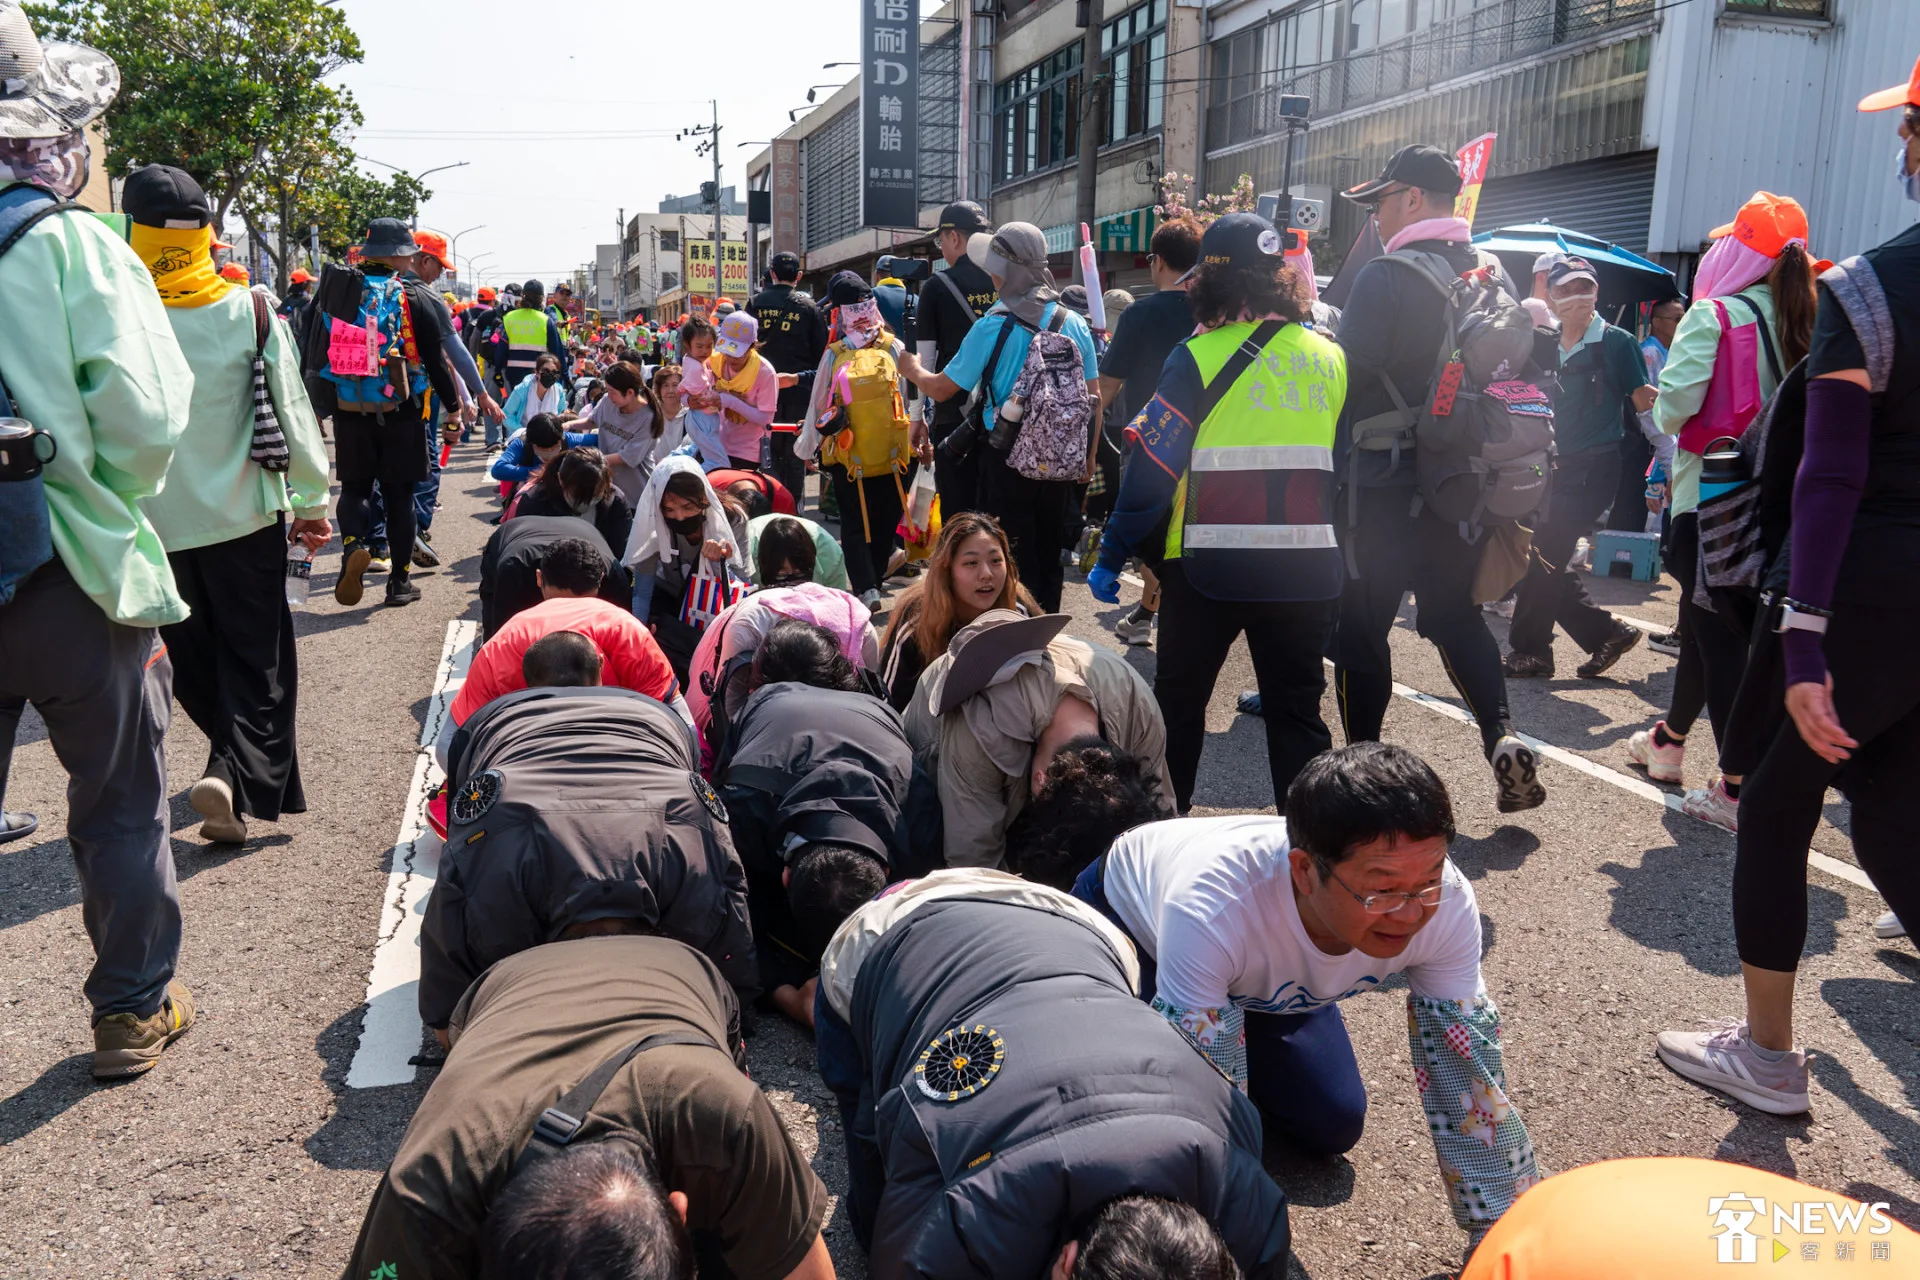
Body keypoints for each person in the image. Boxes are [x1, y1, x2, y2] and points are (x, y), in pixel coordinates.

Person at [1654, 69, 1920, 1112]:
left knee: (1773, 806)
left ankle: (1767, 1057)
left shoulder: (1874, 285)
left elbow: (1831, 472)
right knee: (1897, 814)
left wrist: (1803, 636)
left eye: (1906, 125)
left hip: (1862, 593)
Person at [1072, 742, 1539, 1248]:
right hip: (1133, 931)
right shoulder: (1213, 904)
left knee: (1333, 1121)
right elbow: (1199, 1108)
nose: (1409, 914)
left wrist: (1501, 1239)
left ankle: (1242, 1031)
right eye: (1381, 891)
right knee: (1130, 1121)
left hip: (1255, 980)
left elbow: (1466, 1070)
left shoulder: (1445, 901)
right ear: (1303, 870)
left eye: (1426, 883)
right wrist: (1220, 1246)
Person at [0, 9, 199, 1076]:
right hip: (69, 566)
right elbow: (145, 415)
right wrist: (108, 491)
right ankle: (130, 1010)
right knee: (119, 799)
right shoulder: (71, 244)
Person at [814, 869, 1291, 1279]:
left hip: (1078, 929)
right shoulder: (967, 1220)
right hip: (883, 935)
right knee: (870, 1214)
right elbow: (898, 1257)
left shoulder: (1253, 1217)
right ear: (1066, 1261)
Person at [340, 937, 834, 1280]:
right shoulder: (427, 1194)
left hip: (677, 969)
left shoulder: (726, 1121)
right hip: (505, 987)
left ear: (680, 1210)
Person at [1090, 212, 1346, 817]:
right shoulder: (1330, 358)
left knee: (1179, 707)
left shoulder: (1196, 356)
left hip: (1210, 564)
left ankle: (1161, 837)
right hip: (1306, 567)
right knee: (1298, 715)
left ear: (1207, 282)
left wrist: (1113, 549)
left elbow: (1152, 467)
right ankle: (1313, 851)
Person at [1329, 145, 1545, 813]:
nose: (1376, 219)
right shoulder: (1490, 274)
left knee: (1362, 629)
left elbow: (1348, 375)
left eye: (1381, 203)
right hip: (1459, 481)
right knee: (1456, 616)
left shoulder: (1384, 275)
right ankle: (1501, 735)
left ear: (1413, 199)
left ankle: (1364, 776)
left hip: (1382, 486)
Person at [122, 164, 331, 847]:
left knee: (195, 659)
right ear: (208, 231)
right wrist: (311, 498)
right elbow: (294, 412)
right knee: (258, 658)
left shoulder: (114, 313)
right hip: (244, 516)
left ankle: (229, 770)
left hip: (152, 526)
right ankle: (233, 773)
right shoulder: (250, 308)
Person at [1627, 192, 1816, 832]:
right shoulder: (1807, 316)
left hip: (1707, 500)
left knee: (1720, 640)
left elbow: (1673, 410)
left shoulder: (1713, 314)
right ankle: (1669, 743)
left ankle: (1738, 787)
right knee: (1709, 633)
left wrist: (1659, 398)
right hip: (1777, 502)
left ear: (1738, 250)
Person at [424, 679, 757, 1036]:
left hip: (516, 780)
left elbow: (450, 980)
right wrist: (735, 1008)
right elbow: (730, 937)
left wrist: (451, 1021)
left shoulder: (502, 878)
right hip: (653, 764)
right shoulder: (686, 851)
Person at [899, 223, 1100, 613]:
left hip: (1004, 455)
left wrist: (910, 369)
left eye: (995, 267)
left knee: (1007, 554)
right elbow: (1093, 399)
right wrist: (1087, 458)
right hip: (1059, 461)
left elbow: (942, 389)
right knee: (1048, 550)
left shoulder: (993, 325)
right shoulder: (1072, 321)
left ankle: (1008, 632)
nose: (990, 275)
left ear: (1008, 271)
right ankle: (1045, 631)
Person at [718, 620, 908, 1028]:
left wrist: (783, 991)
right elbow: (732, 901)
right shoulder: (746, 795)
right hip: (765, 794)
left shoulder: (912, 804)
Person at [903, 610, 1171, 869]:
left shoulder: (1136, 707)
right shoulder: (977, 730)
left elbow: (1157, 825)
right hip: (938, 741)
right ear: (1040, 780)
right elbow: (974, 860)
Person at [1503, 257, 1653, 680]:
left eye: (1584, 287)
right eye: (1566, 289)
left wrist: (1667, 456)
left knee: (1544, 556)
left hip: (1594, 469)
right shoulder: (1544, 342)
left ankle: (1531, 652)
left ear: (1597, 292)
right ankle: (1607, 633)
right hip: (1548, 465)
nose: (1576, 297)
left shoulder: (1618, 342)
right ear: (1550, 296)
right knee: (1537, 554)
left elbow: (1643, 404)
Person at [441, 539, 684, 767]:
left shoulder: (504, 642)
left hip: (522, 772)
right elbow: (681, 723)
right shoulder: (629, 631)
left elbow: (449, 746)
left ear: (539, 579)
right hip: (624, 769)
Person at [327, 218, 465, 608]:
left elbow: (315, 347)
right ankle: (399, 583)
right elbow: (437, 364)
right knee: (400, 498)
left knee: (354, 488)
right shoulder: (416, 295)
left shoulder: (340, 288)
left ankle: (354, 544)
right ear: (405, 255)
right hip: (403, 410)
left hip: (350, 405)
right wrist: (453, 409)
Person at [1095, 215, 1200, 646]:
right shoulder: (1214, 311)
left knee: (1145, 529)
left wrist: (1084, 432)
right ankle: (1149, 614)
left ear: (1157, 262)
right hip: (1202, 440)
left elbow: (1106, 384)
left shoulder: (1140, 312)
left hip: (1149, 443)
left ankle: (1157, 615)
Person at [798, 272, 915, 609]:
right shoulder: (894, 346)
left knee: (853, 521)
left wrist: (808, 448)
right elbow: (910, 400)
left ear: (842, 313)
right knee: (883, 520)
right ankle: (874, 580)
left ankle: (865, 588)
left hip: (847, 452)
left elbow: (819, 404)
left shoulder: (836, 353)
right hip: (894, 452)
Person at [878, 511, 1038, 712]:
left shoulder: (1017, 611)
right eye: (971, 563)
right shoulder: (918, 621)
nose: (987, 574)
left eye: (996, 560)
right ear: (947, 571)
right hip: (933, 731)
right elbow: (887, 708)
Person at [624, 456, 749, 678]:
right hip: (672, 601)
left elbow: (741, 585)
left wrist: (720, 561)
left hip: (712, 610)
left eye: (687, 507)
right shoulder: (653, 525)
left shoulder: (733, 520)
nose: (679, 517)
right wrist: (638, 639)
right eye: (669, 510)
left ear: (704, 499)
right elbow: (642, 592)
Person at [749, 249, 830, 501]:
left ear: (771, 274)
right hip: (799, 392)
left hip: (760, 392)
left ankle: (769, 507)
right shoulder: (810, 308)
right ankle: (793, 511)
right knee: (796, 454)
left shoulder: (755, 303)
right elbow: (822, 358)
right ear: (799, 276)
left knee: (765, 453)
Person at [477, 512, 627, 638]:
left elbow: (622, 640)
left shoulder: (612, 575)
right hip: (512, 536)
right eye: (557, 603)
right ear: (539, 578)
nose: (565, 612)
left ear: (600, 579)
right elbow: (504, 639)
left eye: (580, 605)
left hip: (579, 528)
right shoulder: (513, 570)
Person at [509, 445, 634, 553]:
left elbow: (621, 554)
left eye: (594, 495)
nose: (586, 502)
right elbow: (525, 550)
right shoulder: (534, 502)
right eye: (577, 495)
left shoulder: (616, 502)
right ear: (560, 479)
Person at [585, 360, 664, 505]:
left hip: (635, 495)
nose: (608, 396)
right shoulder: (608, 401)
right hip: (609, 490)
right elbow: (591, 421)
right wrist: (566, 424)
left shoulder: (648, 418)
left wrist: (590, 461)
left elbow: (627, 457)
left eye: (612, 392)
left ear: (629, 393)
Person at [708, 311, 779, 469]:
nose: (731, 358)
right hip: (715, 445)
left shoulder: (765, 373)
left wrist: (730, 401)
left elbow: (765, 420)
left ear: (752, 346)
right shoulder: (715, 362)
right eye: (727, 351)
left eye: (737, 353)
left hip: (746, 453)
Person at [489, 411, 595, 488]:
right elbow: (498, 470)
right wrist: (539, 470)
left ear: (560, 440)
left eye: (553, 448)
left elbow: (601, 440)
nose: (549, 453)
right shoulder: (522, 444)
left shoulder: (569, 440)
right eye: (542, 449)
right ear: (532, 443)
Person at [747, 511, 848, 591]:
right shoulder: (745, 555)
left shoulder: (831, 556)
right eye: (781, 573)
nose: (791, 585)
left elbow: (837, 604)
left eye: (798, 572)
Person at [502, 278, 570, 393]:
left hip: (513, 376)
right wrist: (565, 375)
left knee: (515, 408)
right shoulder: (545, 320)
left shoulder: (509, 317)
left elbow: (501, 349)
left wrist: (498, 371)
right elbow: (557, 352)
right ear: (541, 298)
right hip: (539, 377)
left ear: (523, 296)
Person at [499, 351, 572, 439]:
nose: (550, 375)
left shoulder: (558, 391)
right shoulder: (522, 390)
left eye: (554, 372)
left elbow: (561, 414)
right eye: (546, 371)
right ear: (537, 372)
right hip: (523, 436)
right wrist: (522, 431)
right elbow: (506, 415)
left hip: (549, 437)